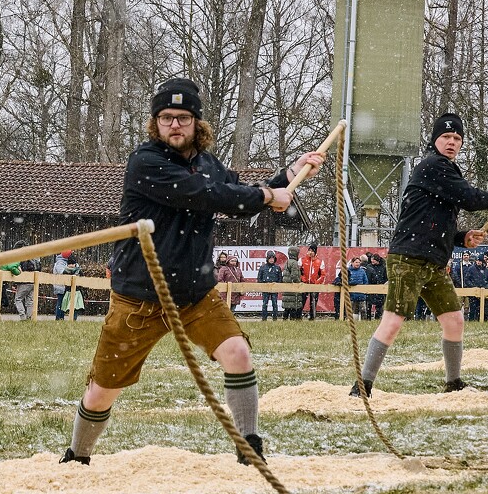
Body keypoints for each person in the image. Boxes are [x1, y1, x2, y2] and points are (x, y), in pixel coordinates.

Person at [60, 79, 323, 466]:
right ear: (156, 123)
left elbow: (237, 197)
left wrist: (286, 176)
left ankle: (248, 447)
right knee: (104, 388)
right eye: (166, 118)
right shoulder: (145, 162)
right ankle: (77, 456)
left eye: (182, 118)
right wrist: (268, 196)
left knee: (237, 352)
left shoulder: (208, 164)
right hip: (140, 296)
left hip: (195, 293)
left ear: (197, 123)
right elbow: (203, 194)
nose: (174, 125)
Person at [350, 113, 488, 396]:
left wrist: (461, 237)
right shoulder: (434, 166)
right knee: (393, 321)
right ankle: (362, 385)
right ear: (435, 141)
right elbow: (470, 198)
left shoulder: (447, 172)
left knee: (454, 319)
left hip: (434, 262)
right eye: (446, 137)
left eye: (457, 138)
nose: (452, 142)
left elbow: (438, 220)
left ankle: (453, 383)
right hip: (409, 258)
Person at [52, 250, 79, 319]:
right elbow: (62, 272)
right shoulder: (60, 263)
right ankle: (59, 318)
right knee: (60, 303)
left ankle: (62, 318)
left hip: (65, 286)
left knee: (64, 303)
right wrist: (72, 269)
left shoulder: (67, 261)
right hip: (61, 286)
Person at [257, 251, 284, 321]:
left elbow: (280, 278)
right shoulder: (263, 267)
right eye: (270, 258)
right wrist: (263, 285)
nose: (271, 260)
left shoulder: (277, 268)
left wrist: (276, 285)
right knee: (265, 303)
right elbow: (259, 278)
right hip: (265, 289)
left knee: (274, 304)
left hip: (274, 289)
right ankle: (264, 318)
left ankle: (275, 318)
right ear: (267, 259)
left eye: (273, 258)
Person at [280, 247, 305, 320]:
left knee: (287, 307)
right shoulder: (294, 263)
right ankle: (292, 320)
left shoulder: (287, 262)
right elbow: (294, 276)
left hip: (287, 287)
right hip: (293, 288)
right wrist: (299, 282)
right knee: (293, 306)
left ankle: (284, 319)